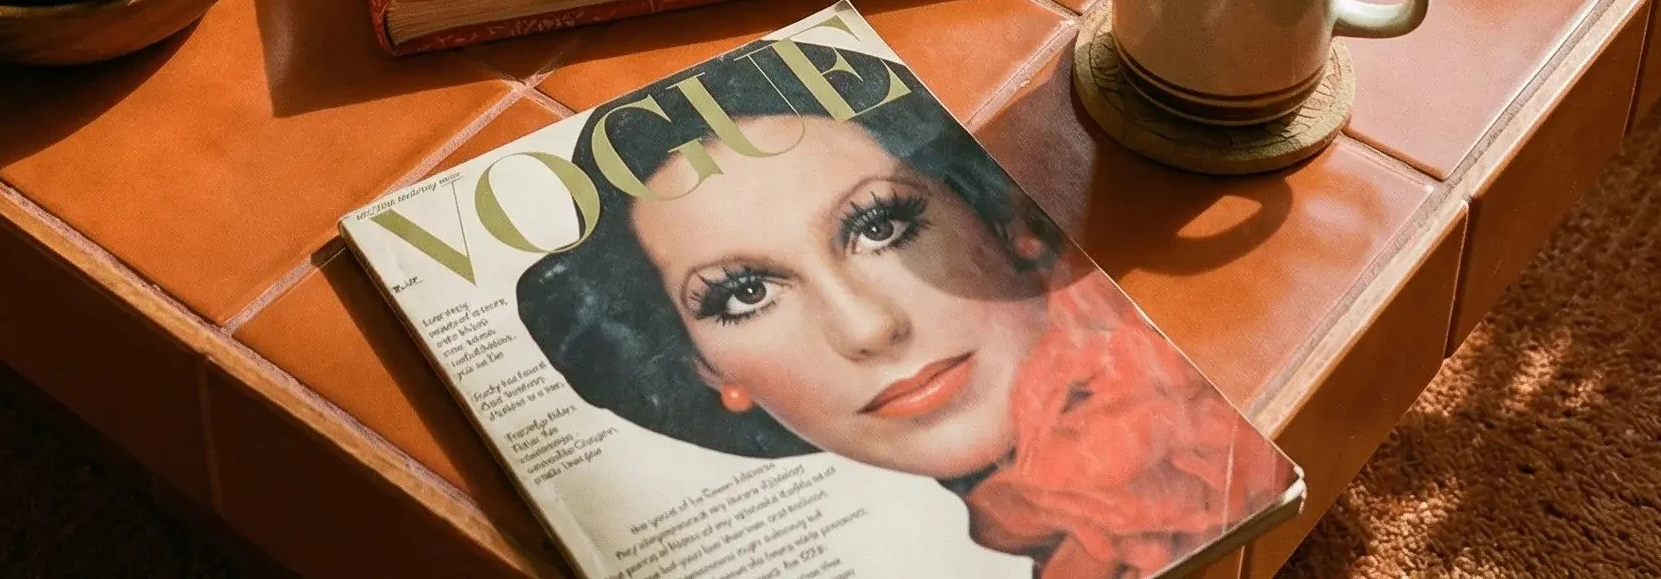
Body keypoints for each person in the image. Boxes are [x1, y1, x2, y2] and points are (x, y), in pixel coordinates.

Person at [517, 35, 1292, 579]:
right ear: (708, 369)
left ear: (1000, 218)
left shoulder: (1212, 414)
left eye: (879, 225)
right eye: (745, 293)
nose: (869, 328)